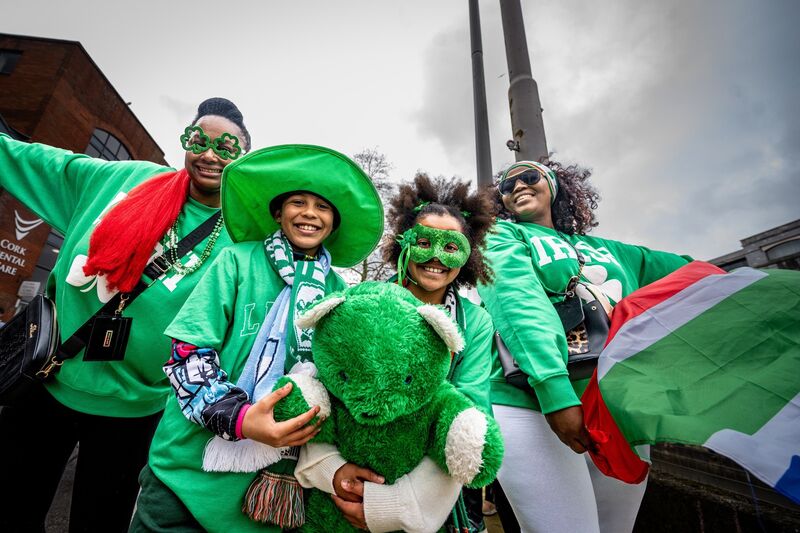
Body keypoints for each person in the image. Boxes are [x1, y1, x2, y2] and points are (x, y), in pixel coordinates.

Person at [0, 97, 250, 532]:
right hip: (45, 381)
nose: (210, 154)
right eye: (199, 140)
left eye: (227, 147)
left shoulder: (244, 237)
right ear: (185, 142)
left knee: (99, 524)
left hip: (135, 413)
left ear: (243, 158)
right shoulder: (127, 179)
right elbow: (39, 162)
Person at [130, 144, 385, 532]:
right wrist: (241, 419)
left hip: (269, 494)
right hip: (186, 471)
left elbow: (341, 383)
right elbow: (187, 354)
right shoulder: (236, 261)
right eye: (298, 202)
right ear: (277, 212)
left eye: (323, 207)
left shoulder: (340, 292)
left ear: (334, 223)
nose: (309, 213)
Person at [477, 160, 692, 533]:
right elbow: (519, 306)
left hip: (615, 406)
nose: (517, 187)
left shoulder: (614, 251)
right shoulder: (499, 238)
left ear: (556, 186)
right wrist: (555, 391)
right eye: (507, 186)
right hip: (531, 402)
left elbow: (692, 276)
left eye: (529, 177)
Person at [295, 173, 497, 533]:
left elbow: (468, 411)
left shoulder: (476, 322)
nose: (436, 257)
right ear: (402, 244)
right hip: (342, 482)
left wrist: (394, 505)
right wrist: (332, 471)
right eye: (423, 242)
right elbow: (326, 386)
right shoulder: (363, 303)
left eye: (451, 247)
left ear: (468, 255)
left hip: (428, 496)